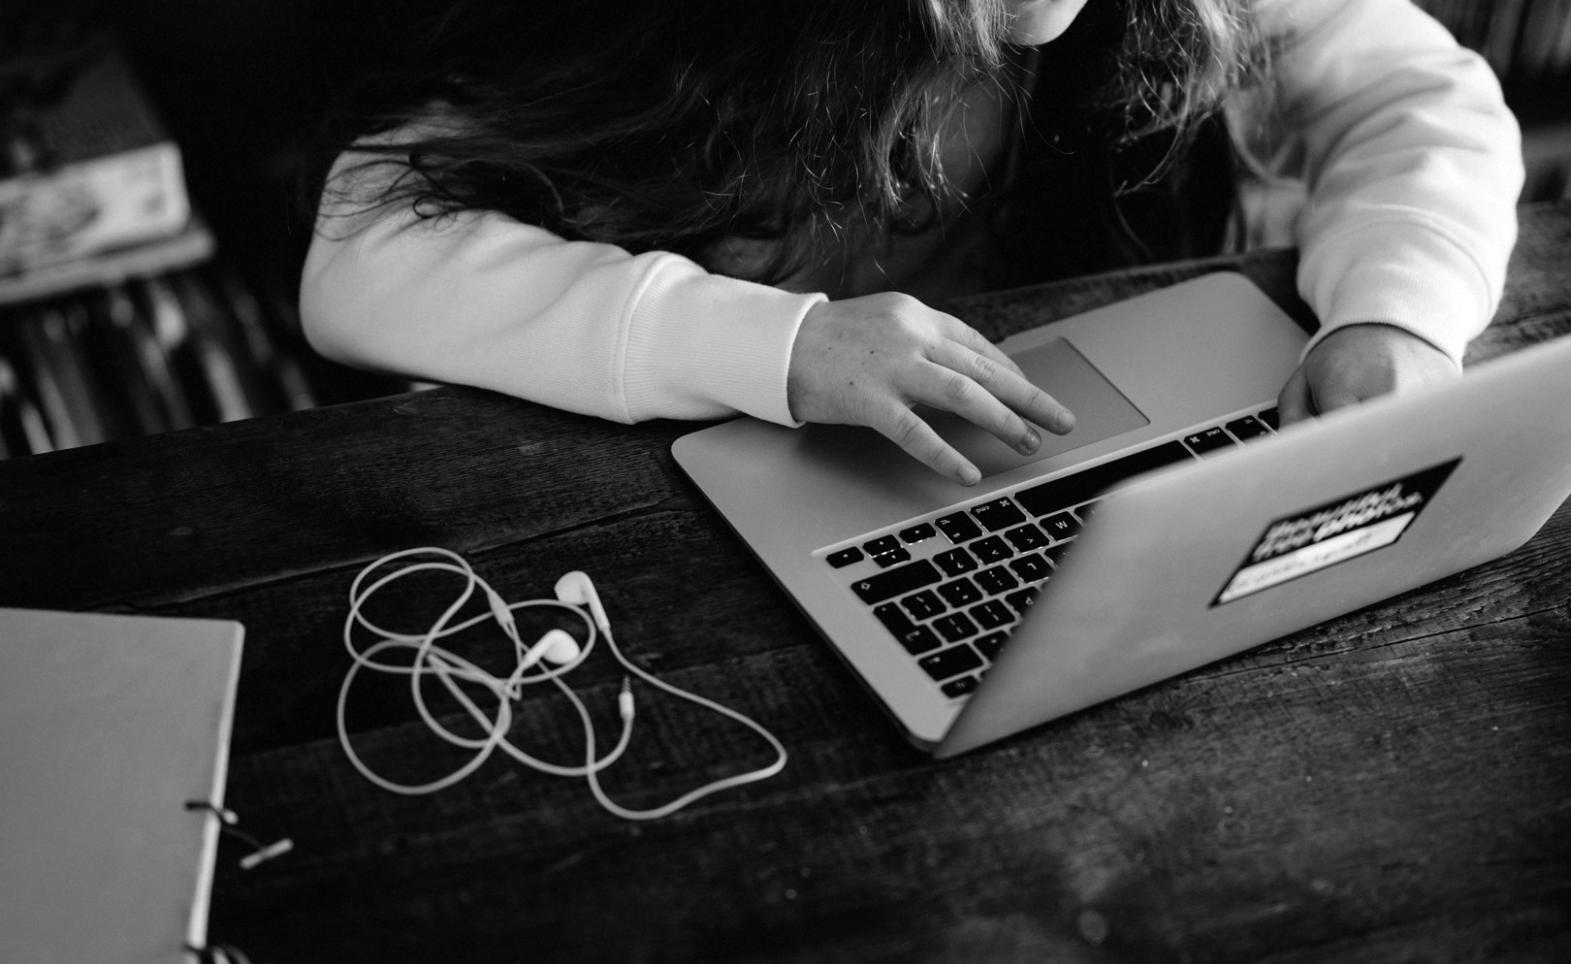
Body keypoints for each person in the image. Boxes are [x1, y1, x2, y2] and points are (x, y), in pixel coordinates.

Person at [299, 0, 1522, 486]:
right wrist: (783, 347)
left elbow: (1411, 92)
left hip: (1067, 451)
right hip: (715, 488)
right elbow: (365, 245)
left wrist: (1395, 313)